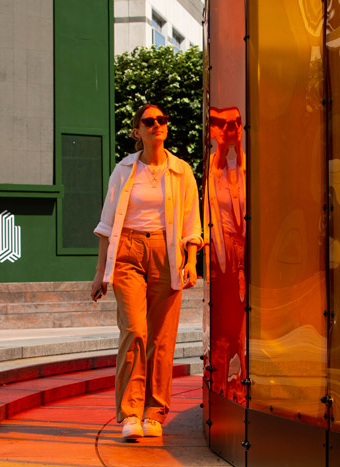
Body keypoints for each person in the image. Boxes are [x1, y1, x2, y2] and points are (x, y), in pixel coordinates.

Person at [90, 104, 202, 439]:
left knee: (162, 337)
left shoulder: (181, 171)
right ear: (137, 131)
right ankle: (129, 414)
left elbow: (191, 220)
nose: (157, 125)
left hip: (167, 253)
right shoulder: (123, 169)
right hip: (127, 252)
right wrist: (100, 272)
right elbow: (107, 224)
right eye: (149, 121)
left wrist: (191, 259)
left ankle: (154, 414)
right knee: (135, 330)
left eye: (162, 120)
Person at [204, 106, 247, 403]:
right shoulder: (212, 170)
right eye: (223, 124)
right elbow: (209, 214)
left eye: (235, 124)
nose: (230, 130)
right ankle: (224, 380)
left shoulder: (247, 166)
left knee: (245, 316)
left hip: (246, 250)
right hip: (222, 252)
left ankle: (243, 376)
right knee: (227, 317)